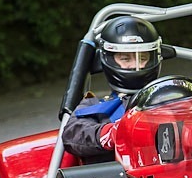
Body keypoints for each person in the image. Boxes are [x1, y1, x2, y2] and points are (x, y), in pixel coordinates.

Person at [62, 16, 162, 159]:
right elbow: (72, 134)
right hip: (120, 171)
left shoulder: (168, 97)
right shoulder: (94, 105)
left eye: (143, 58)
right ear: (109, 59)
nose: (135, 65)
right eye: (125, 59)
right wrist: (113, 133)